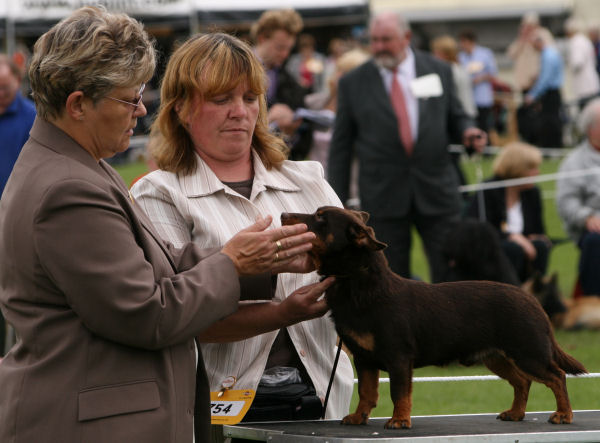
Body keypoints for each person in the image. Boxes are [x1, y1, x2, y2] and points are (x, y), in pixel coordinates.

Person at [0, 8, 330, 443]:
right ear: (78, 104)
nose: (140, 109)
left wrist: (262, 261)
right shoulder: (67, 189)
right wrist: (231, 266)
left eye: (251, 98)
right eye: (129, 97)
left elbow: (156, 263)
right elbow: (147, 314)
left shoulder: (74, 166)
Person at [129, 33, 354, 442]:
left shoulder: (308, 180)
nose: (240, 112)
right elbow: (173, 316)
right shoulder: (158, 193)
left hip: (323, 396)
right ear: (180, 108)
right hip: (216, 405)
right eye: (221, 99)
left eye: (250, 98)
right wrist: (282, 312)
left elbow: (359, 270)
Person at [328, 11, 487, 283]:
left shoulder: (439, 70)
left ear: (407, 37)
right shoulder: (353, 83)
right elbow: (341, 147)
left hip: (437, 190)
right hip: (383, 196)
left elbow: (456, 115)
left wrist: (468, 131)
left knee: (451, 276)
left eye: (386, 39)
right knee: (390, 281)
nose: (378, 47)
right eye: (374, 40)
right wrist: (336, 202)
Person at [465, 142, 551, 283]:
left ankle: (535, 294)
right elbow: (478, 228)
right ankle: (510, 295)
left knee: (540, 246)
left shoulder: (533, 193)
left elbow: (538, 229)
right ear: (517, 169)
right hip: (492, 248)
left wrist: (537, 237)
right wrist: (511, 236)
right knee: (513, 249)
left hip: (523, 248)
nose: (538, 173)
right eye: (532, 168)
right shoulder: (489, 190)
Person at [251, 9, 311, 160]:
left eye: (289, 49)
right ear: (262, 38)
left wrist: (291, 130)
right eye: (280, 47)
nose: (285, 54)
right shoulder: (236, 71)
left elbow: (301, 142)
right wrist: (267, 120)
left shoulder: (289, 79)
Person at [556, 97, 600, 296]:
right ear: (591, 129)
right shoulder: (574, 162)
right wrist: (587, 217)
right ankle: (593, 299)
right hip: (592, 226)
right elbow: (566, 202)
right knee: (594, 241)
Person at [0, 54, 36, 196]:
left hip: (14, 203)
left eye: (5, 88)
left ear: (18, 81)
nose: (0, 94)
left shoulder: (33, 117)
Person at [525, 28, 564, 148]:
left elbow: (545, 79)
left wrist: (532, 94)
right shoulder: (551, 53)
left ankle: (553, 147)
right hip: (553, 92)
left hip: (550, 93)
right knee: (552, 120)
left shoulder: (547, 55)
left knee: (550, 121)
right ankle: (554, 147)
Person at [458, 29, 498, 135]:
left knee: (484, 126)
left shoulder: (485, 54)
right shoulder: (460, 57)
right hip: (467, 99)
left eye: (464, 42)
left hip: (482, 97)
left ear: (471, 42)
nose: (462, 45)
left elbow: (493, 73)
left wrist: (479, 79)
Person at [564, 17, 600, 110]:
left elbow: (577, 62)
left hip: (585, 86)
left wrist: (569, 64)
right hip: (591, 83)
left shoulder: (576, 42)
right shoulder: (584, 40)